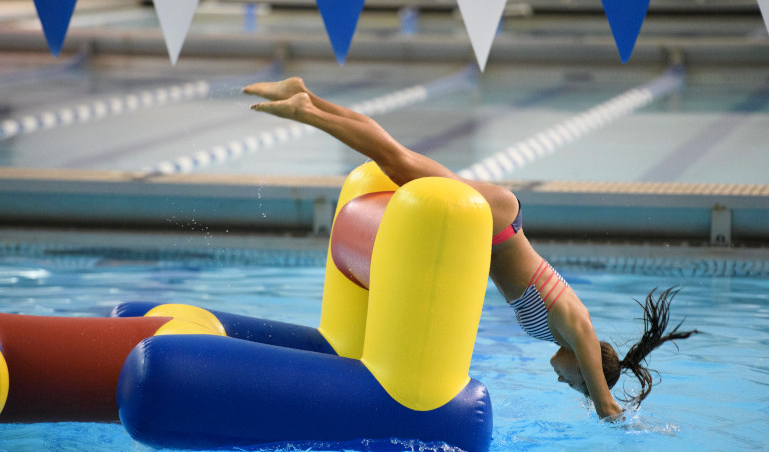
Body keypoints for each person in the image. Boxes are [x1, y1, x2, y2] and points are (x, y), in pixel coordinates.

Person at [243, 78, 698, 421]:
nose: (561, 380)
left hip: (491, 225)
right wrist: (606, 406)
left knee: (396, 157)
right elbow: (605, 403)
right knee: (398, 161)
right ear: (585, 368)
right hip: (497, 223)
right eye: (573, 382)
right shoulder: (577, 327)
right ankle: (308, 112)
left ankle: (307, 97)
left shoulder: (561, 335)